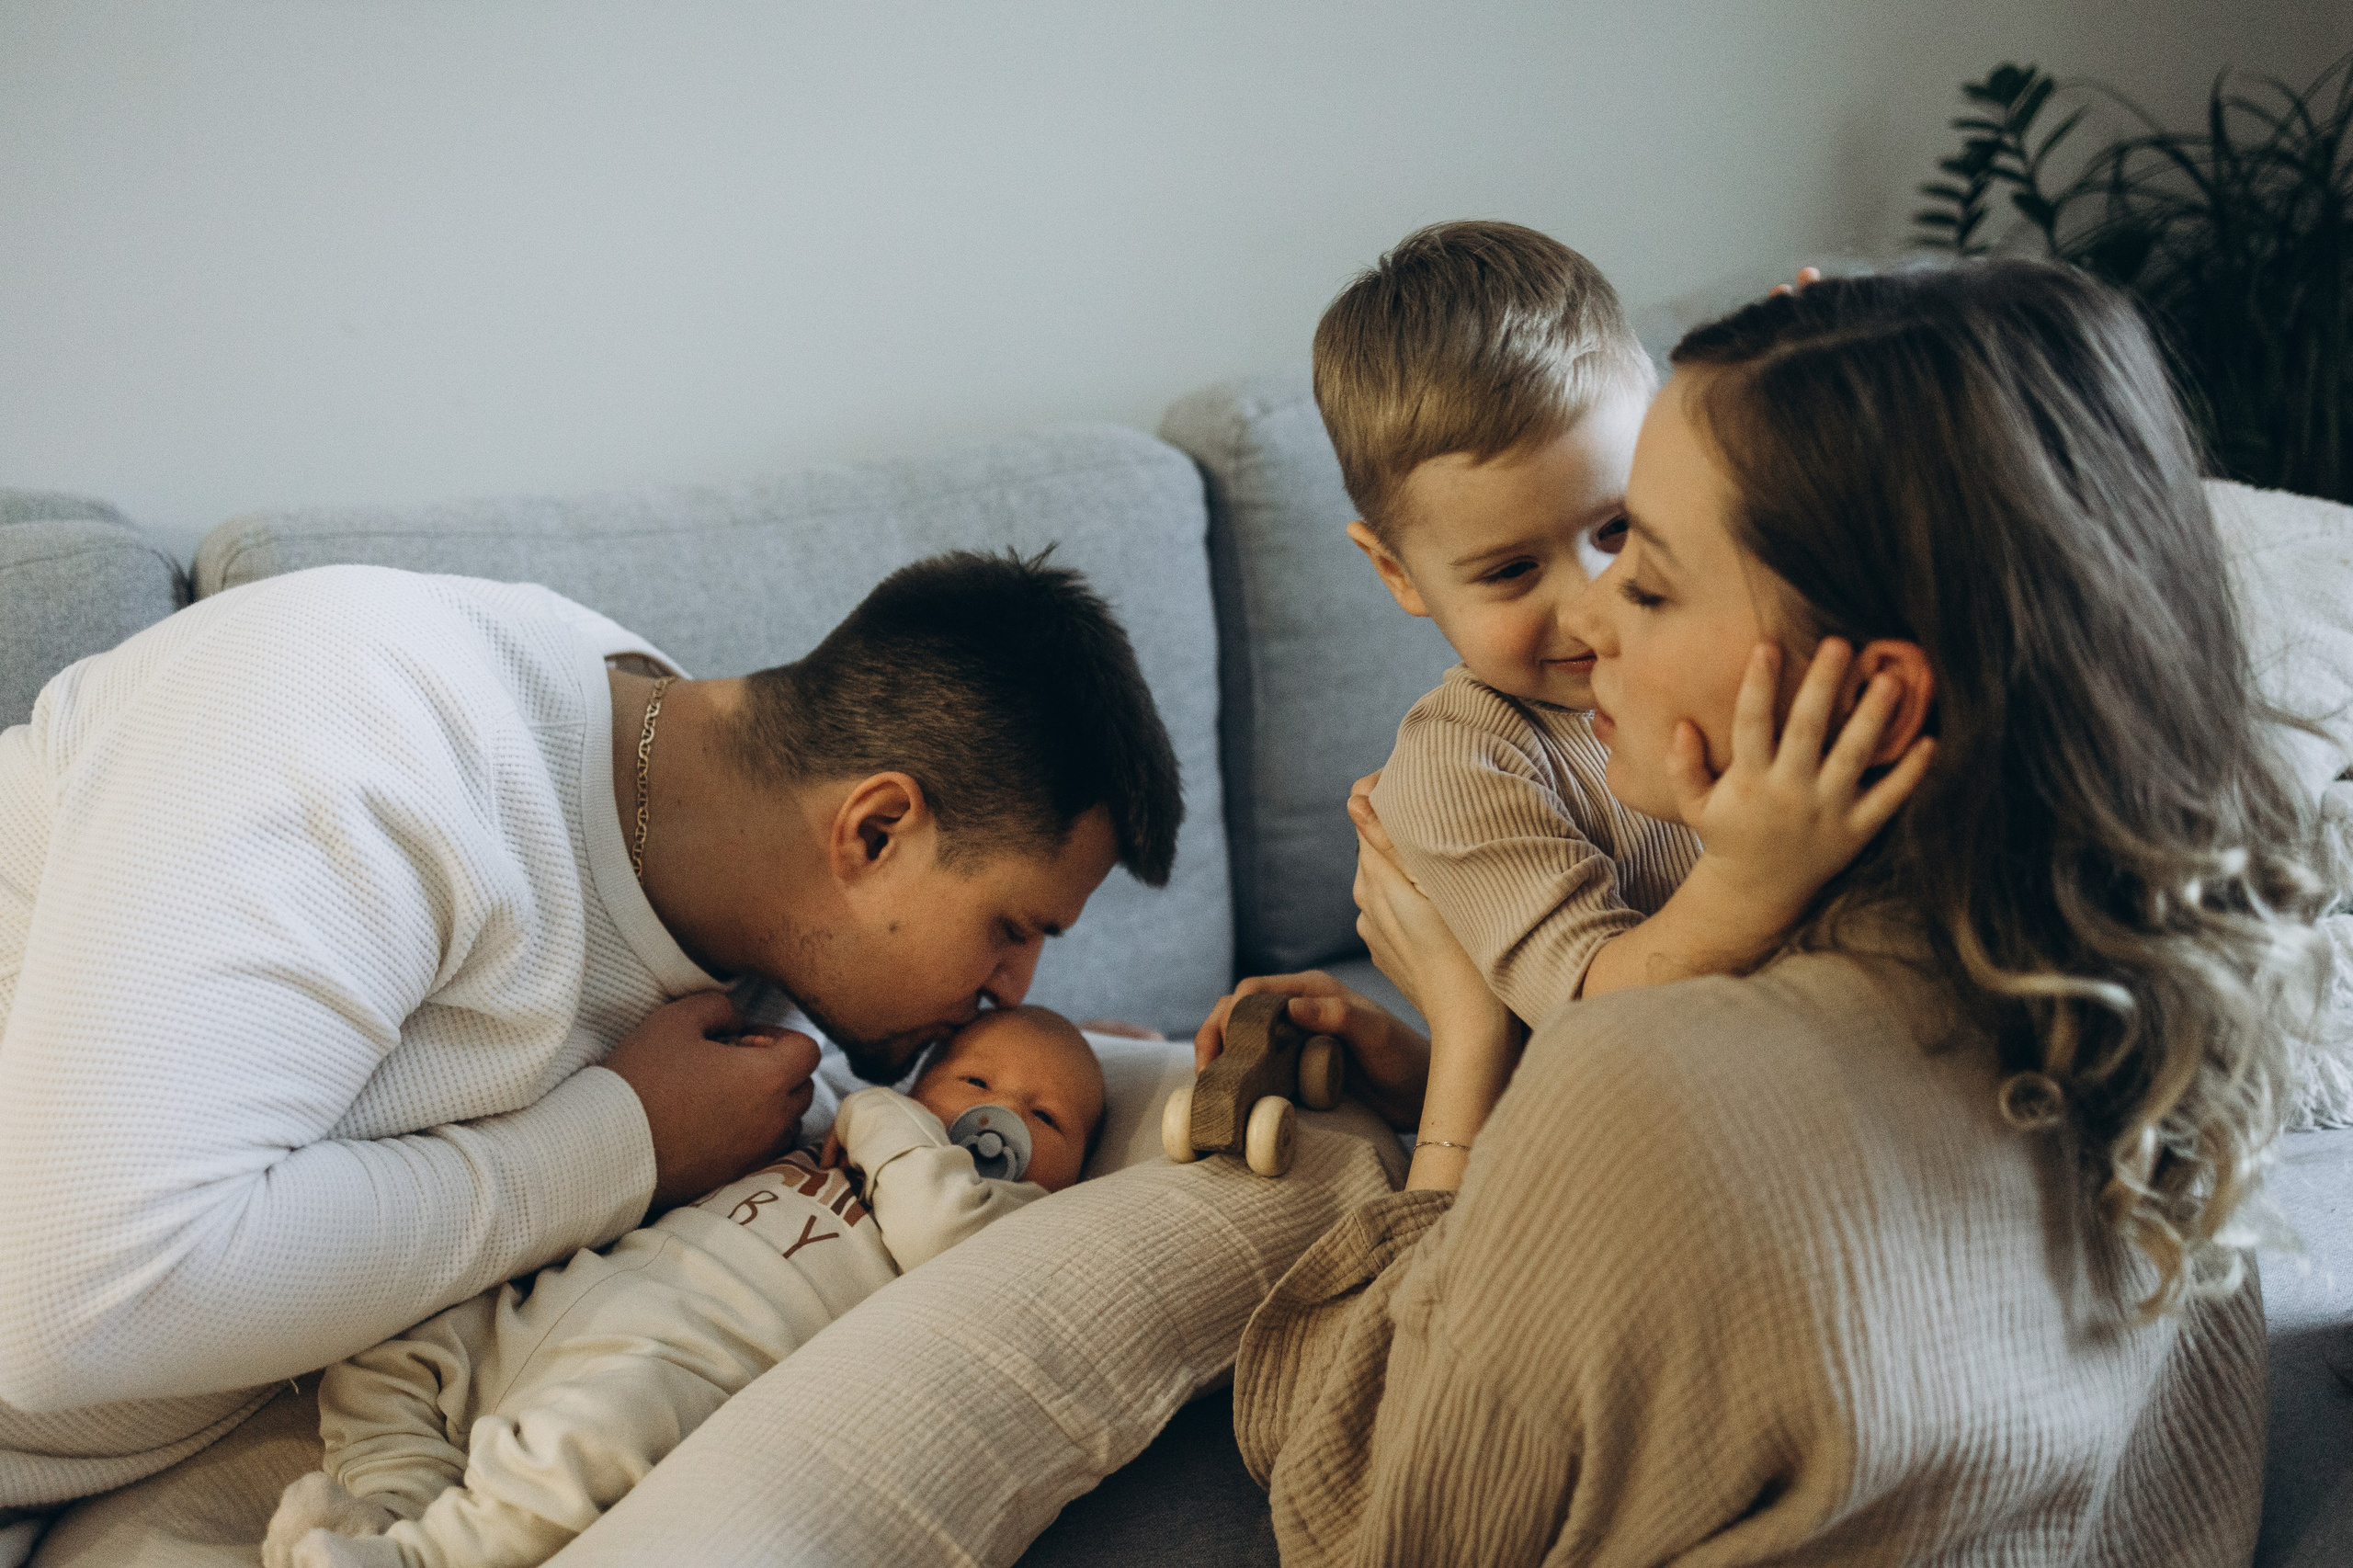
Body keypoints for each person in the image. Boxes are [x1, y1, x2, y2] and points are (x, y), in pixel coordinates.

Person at [1203, 260, 2334, 1562]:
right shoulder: (2163, 982)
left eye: (1644, 567)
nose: (1590, 616)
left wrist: (1465, 1044)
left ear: (1876, 694)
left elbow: (1382, 1524)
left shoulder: (1644, 1086)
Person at [0, 549, 1180, 1528]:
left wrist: (1169, 1075)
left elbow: (877, 1130)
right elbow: (72, 1308)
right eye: (1012, 931)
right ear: (874, 831)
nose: (1014, 989)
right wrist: (625, 1143)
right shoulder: (366, 733)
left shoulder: (742, 876)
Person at [1312, 222, 1916, 1039]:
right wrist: (1753, 880)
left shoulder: (1718, 637)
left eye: (1619, 528)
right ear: (1397, 573)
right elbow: (1592, 1016)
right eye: (1511, 571)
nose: (1596, 600)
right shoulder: (1460, 768)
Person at [262, 1006, 1105, 1568]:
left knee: (588, 1442)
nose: (999, 1119)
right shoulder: (827, 1134)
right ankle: (395, 1501)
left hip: (679, 1359)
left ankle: (426, 1558)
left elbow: (937, 1223)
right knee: (388, 1357)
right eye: (977, 1083)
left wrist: (886, 1116)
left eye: (1049, 1116)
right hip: (577, 1296)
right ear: (924, 1081)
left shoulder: (988, 1218)